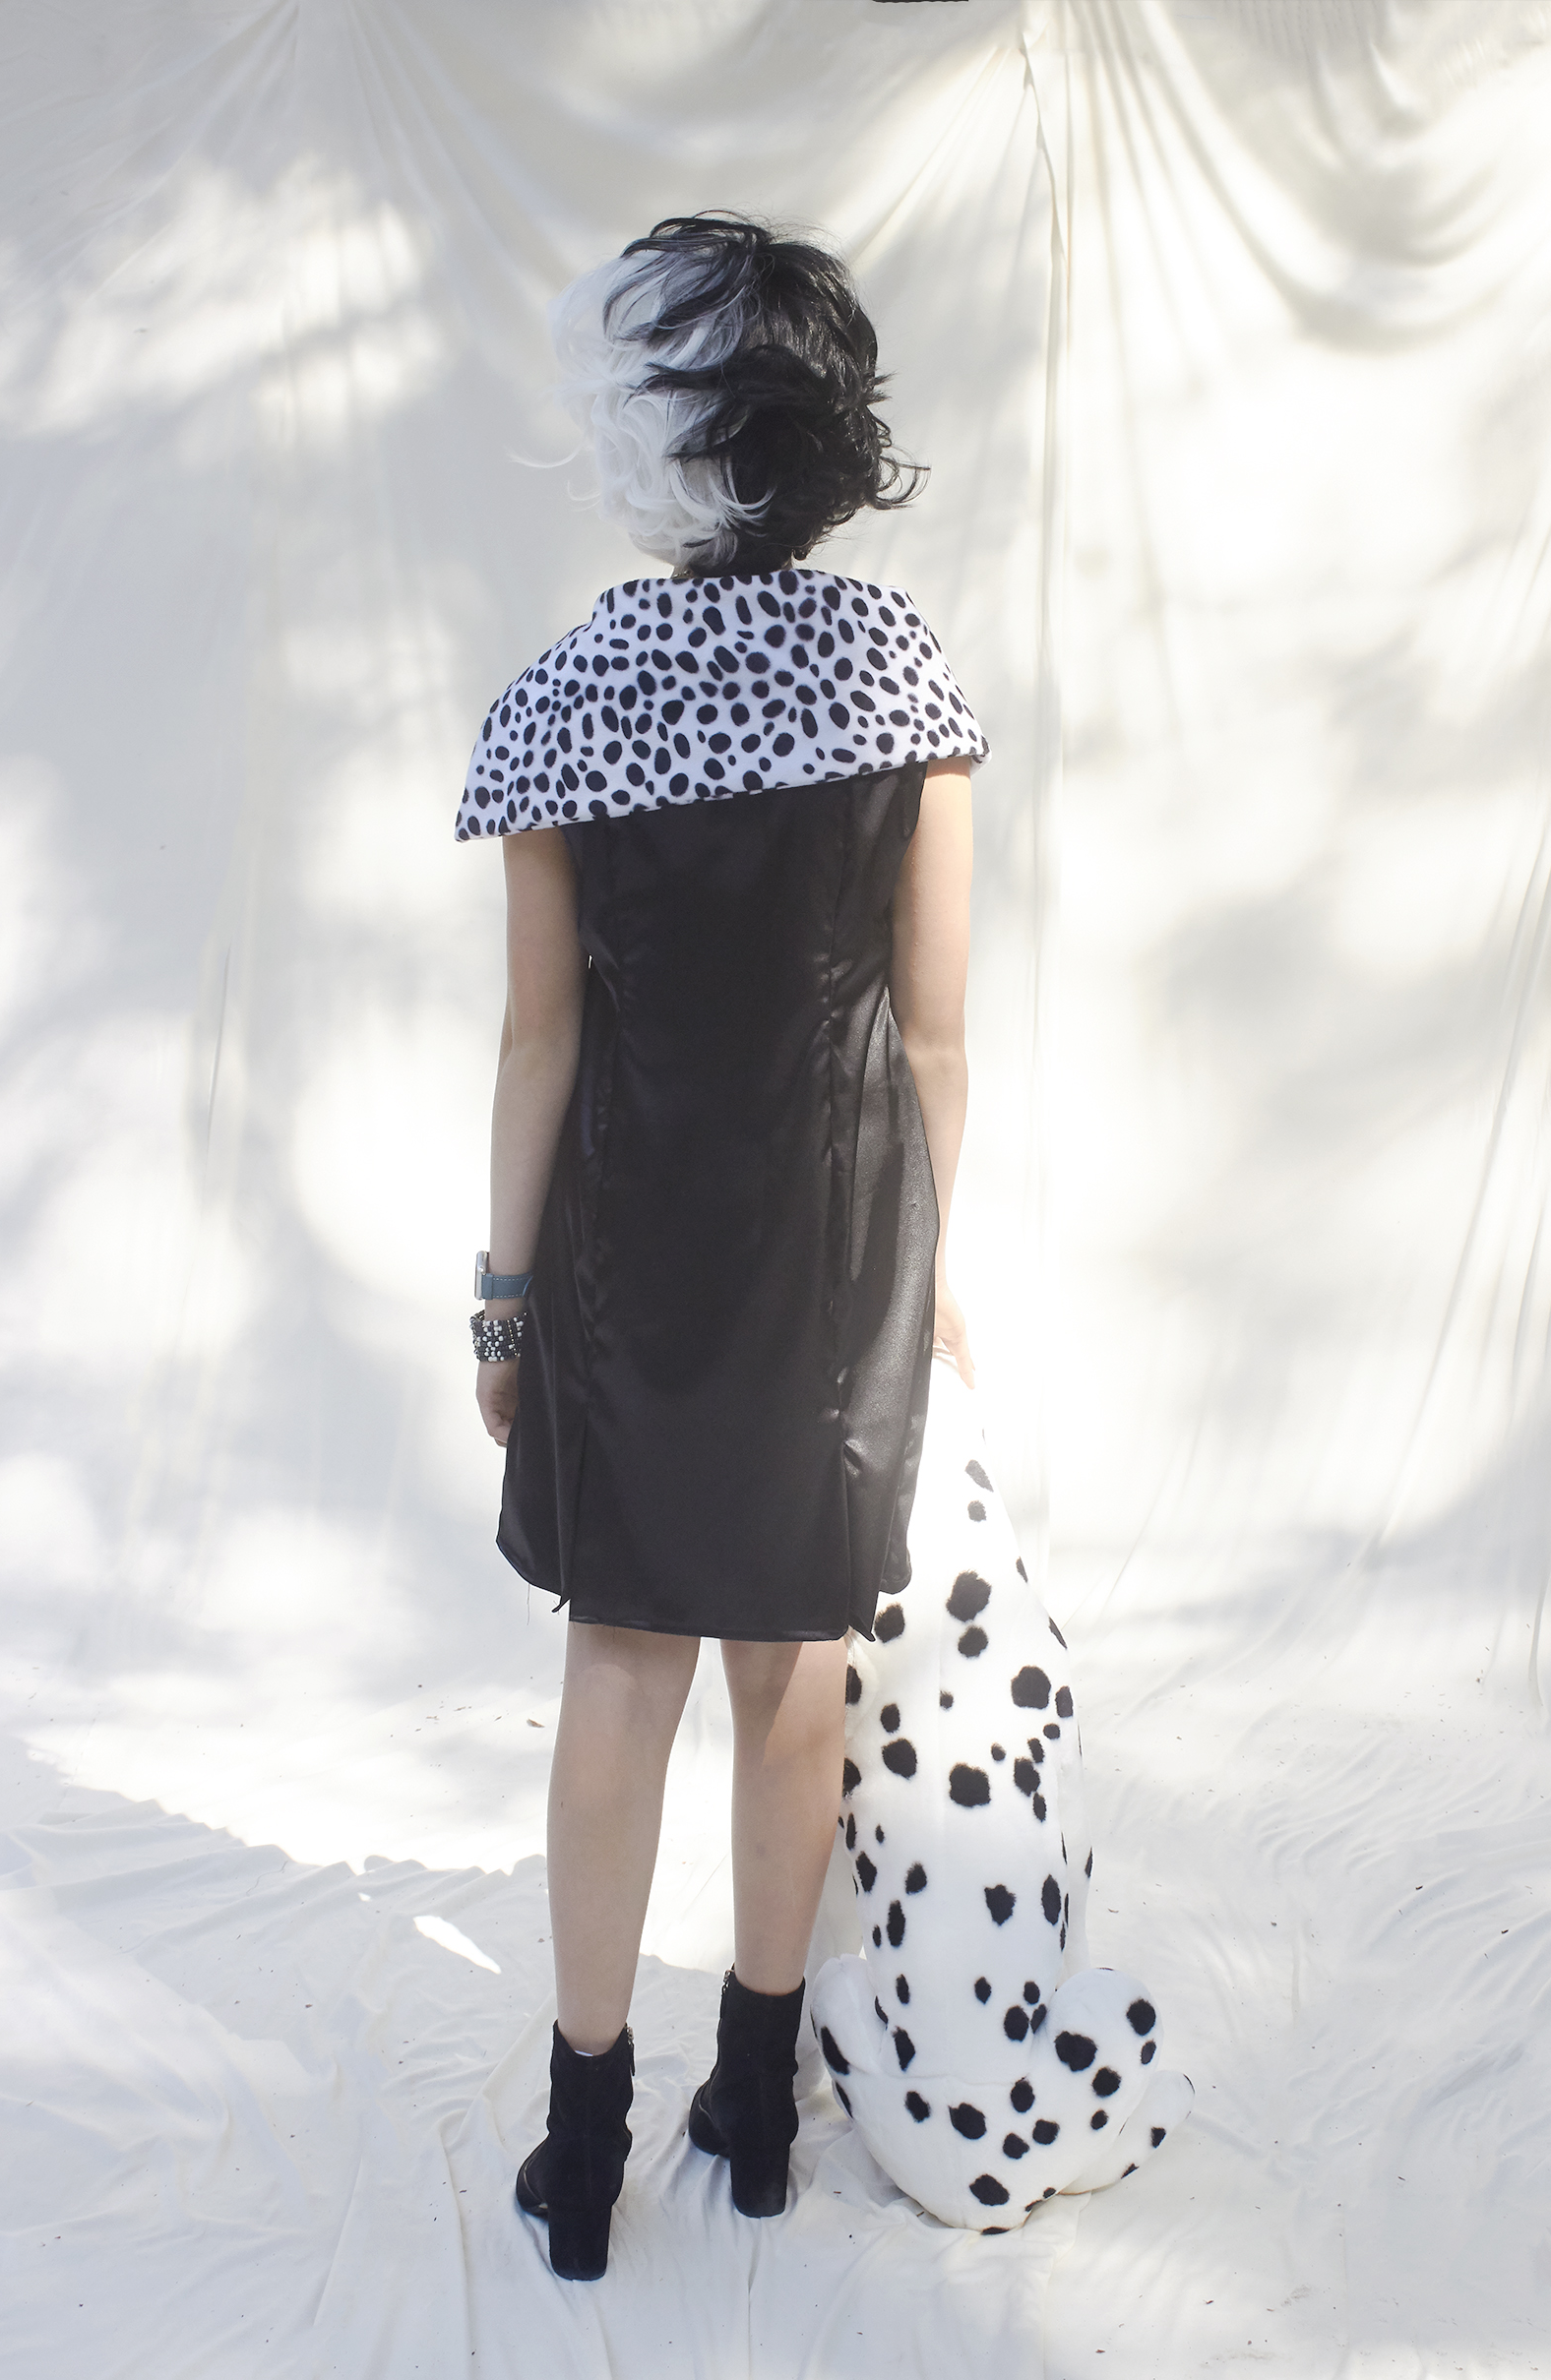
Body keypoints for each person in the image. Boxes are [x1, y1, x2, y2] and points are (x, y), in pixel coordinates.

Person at [458, 213, 986, 2281]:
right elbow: (934, 1030)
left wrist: (502, 1297)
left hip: (623, 1249)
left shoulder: (559, 697)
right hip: (847, 1235)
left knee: (620, 1663)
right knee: (799, 1668)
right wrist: (924, 1270)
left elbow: (539, 1039)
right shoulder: (903, 669)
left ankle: (581, 2154)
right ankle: (754, 2110)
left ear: (654, 431)